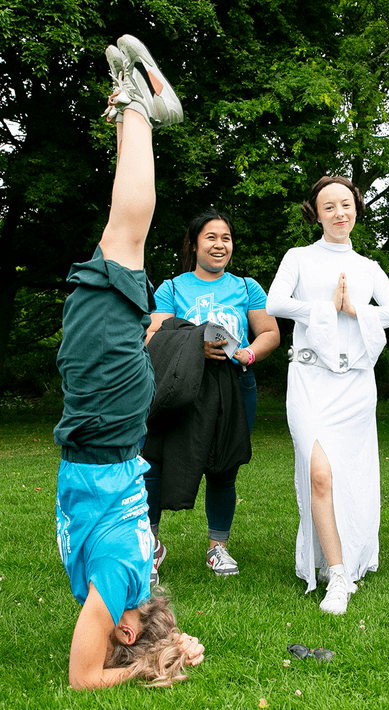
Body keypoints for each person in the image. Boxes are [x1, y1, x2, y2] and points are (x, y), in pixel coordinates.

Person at [53, 35, 203, 689]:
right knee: (123, 242)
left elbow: (103, 649)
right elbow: (84, 679)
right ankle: (142, 108)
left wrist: (164, 645)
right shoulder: (118, 577)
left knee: (119, 246)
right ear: (126, 627)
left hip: (102, 424)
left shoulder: (124, 577)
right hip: (106, 424)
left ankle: (128, 106)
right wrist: (151, 659)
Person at [266, 176, 389, 614]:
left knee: (349, 475)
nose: (339, 213)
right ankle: (338, 576)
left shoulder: (367, 267)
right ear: (317, 213)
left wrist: (355, 309)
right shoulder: (299, 258)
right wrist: (325, 307)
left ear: (356, 209)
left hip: (354, 386)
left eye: (346, 204)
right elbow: (275, 303)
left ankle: (344, 557)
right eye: (329, 207)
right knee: (320, 473)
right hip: (309, 378)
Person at [143, 209, 279, 582]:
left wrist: (249, 352)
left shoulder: (247, 286)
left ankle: (217, 547)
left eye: (226, 238)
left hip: (236, 387)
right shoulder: (172, 287)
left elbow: (269, 331)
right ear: (194, 243)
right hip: (183, 387)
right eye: (211, 238)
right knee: (155, 463)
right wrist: (195, 346)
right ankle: (149, 547)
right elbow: (154, 335)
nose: (220, 245)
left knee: (225, 465)